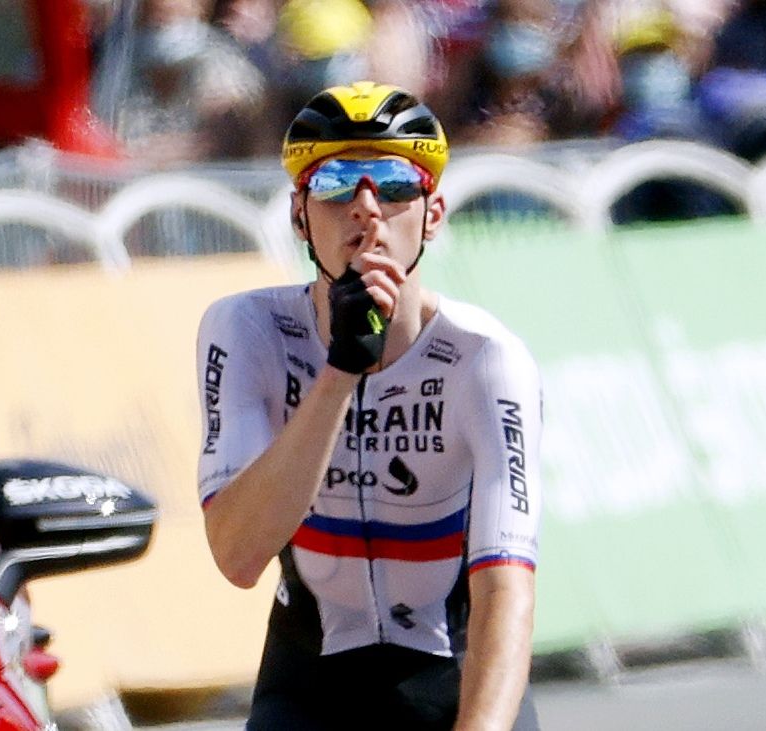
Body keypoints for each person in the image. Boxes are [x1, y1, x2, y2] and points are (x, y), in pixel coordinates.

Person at [195, 81, 543, 730]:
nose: (365, 208)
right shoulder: (246, 331)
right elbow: (237, 555)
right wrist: (338, 375)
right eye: (334, 183)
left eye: (391, 181)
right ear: (299, 216)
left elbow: (504, 588)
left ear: (432, 214)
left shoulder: (485, 359)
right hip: (311, 686)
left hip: (453, 678)